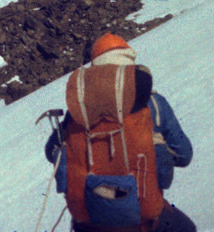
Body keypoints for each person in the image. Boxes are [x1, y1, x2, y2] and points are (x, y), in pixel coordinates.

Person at [45, 34, 195, 231]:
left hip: (90, 222)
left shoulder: (79, 112)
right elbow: (184, 155)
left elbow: (50, 151)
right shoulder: (153, 104)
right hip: (143, 221)